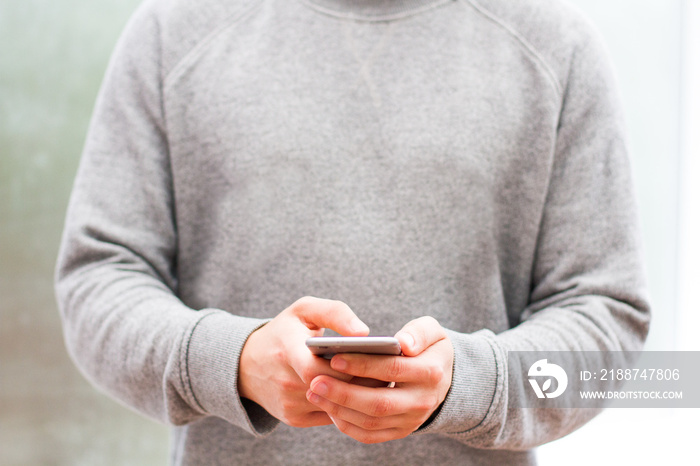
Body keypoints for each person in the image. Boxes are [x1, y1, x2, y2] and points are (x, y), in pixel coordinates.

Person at [55, 0, 650, 464]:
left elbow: (607, 317)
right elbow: (98, 281)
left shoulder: (558, 45)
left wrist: (470, 384)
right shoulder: (172, 31)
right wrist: (233, 361)